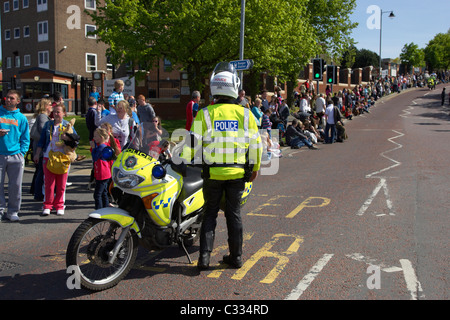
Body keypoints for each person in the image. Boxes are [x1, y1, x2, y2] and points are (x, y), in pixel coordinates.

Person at [183, 62, 262, 270]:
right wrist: (254, 169)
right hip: (237, 174)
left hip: (212, 173)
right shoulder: (245, 114)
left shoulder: (205, 113)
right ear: (234, 87)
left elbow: (192, 145)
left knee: (209, 214)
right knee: (233, 214)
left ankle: (204, 259)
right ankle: (236, 258)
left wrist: (181, 157)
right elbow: (256, 145)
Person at [33, 103, 77, 216]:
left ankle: (59, 205)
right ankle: (47, 205)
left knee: (61, 184)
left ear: (64, 113)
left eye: (59, 112)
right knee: (49, 184)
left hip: (63, 158)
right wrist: (37, 154)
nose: (56, 114)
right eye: (55, 112)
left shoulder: (68, 125)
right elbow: (42, 141)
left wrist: (67, 138)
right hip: (49, 157)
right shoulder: (48, 125)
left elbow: (76, 141)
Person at [0, 90, 30, 221]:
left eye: (12, 98)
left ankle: (12, 211)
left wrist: (22, 153)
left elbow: (25, 138)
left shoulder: (21, 118)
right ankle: (0, 210)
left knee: (15, 185)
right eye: (7, 98)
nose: (8, 100)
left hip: (16, 155)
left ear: (18, 101)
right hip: (0, 154)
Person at [30, 98, 53, 201]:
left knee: (39, 171)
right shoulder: (43, 117)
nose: (51, 106)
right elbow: (45, 132)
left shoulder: (43, 117)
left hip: (40, 148)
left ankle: (36, 191)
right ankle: (38, 193)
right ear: (45, 106)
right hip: (42, 149)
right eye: (50, 104)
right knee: (41, 172)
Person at [91, 128, 117, 209]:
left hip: (102, 174)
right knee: (104, 192)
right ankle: (105, 207)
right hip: (105, 173)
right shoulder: (104, 146)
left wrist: (93, 148)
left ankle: (99, 210)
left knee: (97, 194)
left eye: (96, 136)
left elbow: (95, 157)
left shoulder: (101, 147)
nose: (94, 138)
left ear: (101, 138)